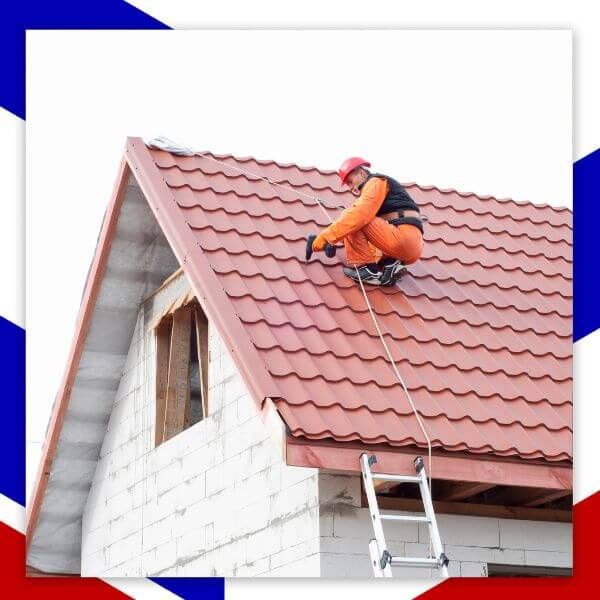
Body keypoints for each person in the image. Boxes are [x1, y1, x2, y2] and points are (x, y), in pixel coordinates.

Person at [309, 157, 424, 285]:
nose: (350, 187)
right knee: (354, 223)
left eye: (350, 181)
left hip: (402, 238)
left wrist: (322, 240)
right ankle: (391, 264)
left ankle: (368, 270)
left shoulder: (375, 182)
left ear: (362, 173)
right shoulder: (381, 190)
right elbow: (364, 233)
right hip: (411, 247)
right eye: (347, 185)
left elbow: (357, 217)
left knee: (353, 216)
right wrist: (333, 242)